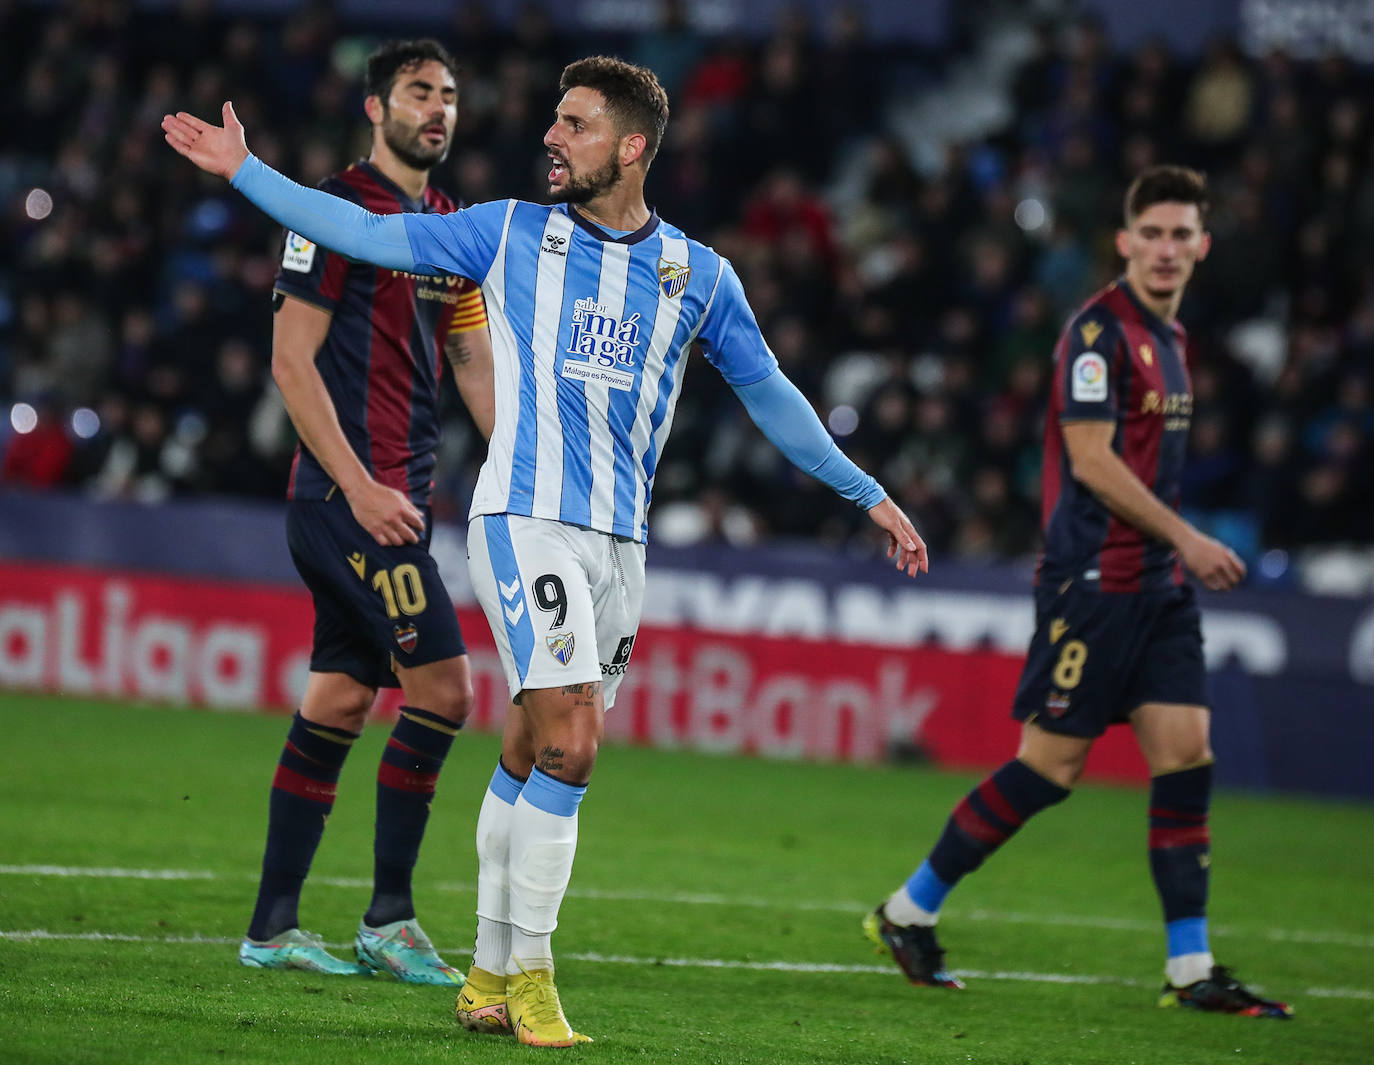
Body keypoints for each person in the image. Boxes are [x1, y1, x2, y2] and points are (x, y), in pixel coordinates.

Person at [162, 55, 927, 1045]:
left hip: (621, 548)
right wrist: (246, 172)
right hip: (522, 520)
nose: (552, 138)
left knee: (530, 746)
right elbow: (364, 230)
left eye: (575, 124)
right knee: (573, 740)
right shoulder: (508, 230)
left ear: (632, 144)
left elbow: (770, 391)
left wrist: (865, 491)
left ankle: (481, 970)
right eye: (555, 122)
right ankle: (531, 977)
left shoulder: (699, 274)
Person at [863, 166, 1292, 1019]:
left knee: (1186, 759)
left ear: (1202, 245)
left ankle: (1190, 966)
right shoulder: (1098, 333)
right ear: (1126, 241)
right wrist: (1190, 537)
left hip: (1158, 591)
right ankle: (907, 911)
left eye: (1182, 235)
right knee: (1050, 768)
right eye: (1153, 233)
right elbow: (1092, 460)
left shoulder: (1172, 340)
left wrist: (1175, 554)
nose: (1167, 249)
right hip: (1094, 584)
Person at [235, 39, 495, 985]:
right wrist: (356, 484)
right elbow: (290, 362)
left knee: (341, 698)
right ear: (375, 107)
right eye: (419, 91)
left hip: (398, 503)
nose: (439, 108)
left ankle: (271, 927)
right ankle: (390, 918)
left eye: (451, 95)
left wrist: (515, 458)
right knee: (445, 689)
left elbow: (469, 357)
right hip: (349, 501)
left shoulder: (449, 227)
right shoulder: (332, 212)